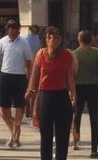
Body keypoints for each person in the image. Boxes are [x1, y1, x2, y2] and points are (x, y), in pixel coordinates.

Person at [25, 26, 76, 160]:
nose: (52, 40)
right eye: (49, 37)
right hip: (45, 97)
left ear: (60, 40)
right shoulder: (41, 54)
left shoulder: (66, 55)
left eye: (55, 37)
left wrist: (74, 95)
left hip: (62, 96)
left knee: (62, 136)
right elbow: (35, 75)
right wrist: (30, 92)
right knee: (46, 135)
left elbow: (69, 76)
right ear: (46, 39)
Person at [0, 18, 34, 148]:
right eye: (10, 28)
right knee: (3, 108)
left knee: (20, 106)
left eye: (15, 28)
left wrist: (30, 83)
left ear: (18, 29)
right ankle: (13, 127)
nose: (13, 31)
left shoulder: (24, 42)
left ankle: (16, 133)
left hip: (20, 77)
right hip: (5, 76)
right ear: (7, 30)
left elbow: (29, 63)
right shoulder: (2, 42)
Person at [72, 30, 98, 158]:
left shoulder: (74, 54)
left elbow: (72, 73)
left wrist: (71, 92)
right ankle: (94, 148)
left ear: (79, 39)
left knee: (77, 115)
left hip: (78, 87)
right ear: (91, 39)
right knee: (94, 118)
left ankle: (76, 141)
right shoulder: (96, 53)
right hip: (93, 87)